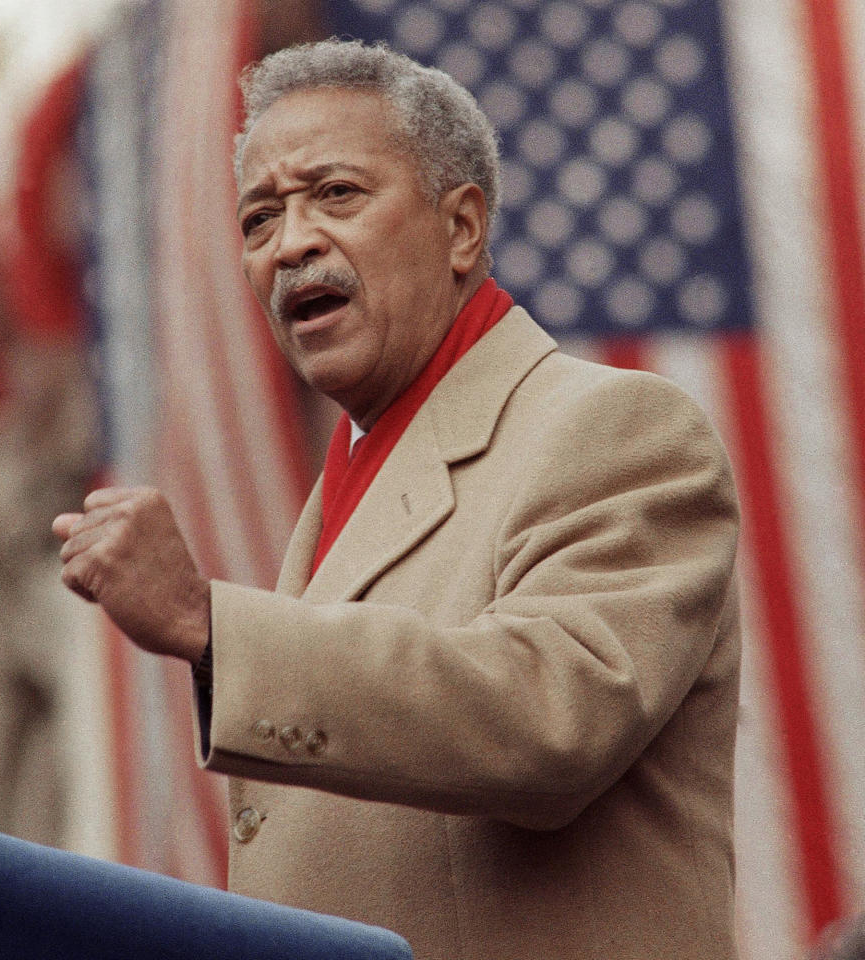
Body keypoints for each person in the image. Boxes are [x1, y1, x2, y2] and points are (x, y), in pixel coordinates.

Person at [53, 39, 742, 960]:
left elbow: (552, 719)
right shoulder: (355, 477)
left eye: (335, 194)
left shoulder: (618, 429)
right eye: (260, 217)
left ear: (462, 228)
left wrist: (210, 624)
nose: (290, 243)